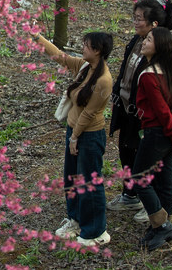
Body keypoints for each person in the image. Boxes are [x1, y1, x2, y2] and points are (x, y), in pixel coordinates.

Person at [33, 31, 114, 247]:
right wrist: (37, 37)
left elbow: (89, 113)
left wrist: (75, 137)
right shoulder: (86, 67)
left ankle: (96, 231)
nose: (82, 48)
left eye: (86, 45)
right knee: (71, 178)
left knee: (89, 181)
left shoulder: (104, 80)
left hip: (89, 135)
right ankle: (76, 219)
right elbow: (61, 57)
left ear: (97, 50)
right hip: (74, 131)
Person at [108, 0, 172, 221]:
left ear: (154, 25)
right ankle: (131, 195)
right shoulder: (137, 41)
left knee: (150, 163)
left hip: (148, 118)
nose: (135, 22)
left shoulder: (162, 56)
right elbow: (125, 69)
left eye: (140, 19)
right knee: (127, 151)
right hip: (128, 109)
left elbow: (170, 94)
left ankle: (155, 206)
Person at [133, 27, 172, 251]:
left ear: (159, 46)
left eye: (148, 39)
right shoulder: (168, 72)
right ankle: (163, 226)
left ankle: (161, 225)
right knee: (165, 180)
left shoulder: (148, 75)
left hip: (157, 133)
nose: (144, 42)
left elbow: (162, 109)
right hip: (167, 133)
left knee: (139, 177)